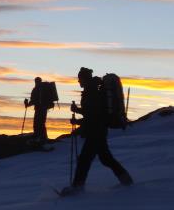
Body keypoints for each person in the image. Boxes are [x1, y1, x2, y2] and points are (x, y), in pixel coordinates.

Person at [61, 67, 133, 196]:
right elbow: (91, 112)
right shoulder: (93, 90)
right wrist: (78, 111)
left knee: (84, 159)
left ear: (85, 79)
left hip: (95, 132)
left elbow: (93, 116)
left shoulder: (91, 92)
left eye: (80, 79)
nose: (79, 81)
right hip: (99, 131)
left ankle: (77, 187)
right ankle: (126, 180)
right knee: (106, 159)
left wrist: (78, 122)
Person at [24, 77, 51, 141]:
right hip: (44, 108)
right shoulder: (44, 89)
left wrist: (27, 104)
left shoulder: (35, 89)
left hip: (38, 108)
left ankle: (38, 137)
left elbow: (33, 100)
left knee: (37, 123)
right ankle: (44, 137)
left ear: (35, 82)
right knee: (42, 123)